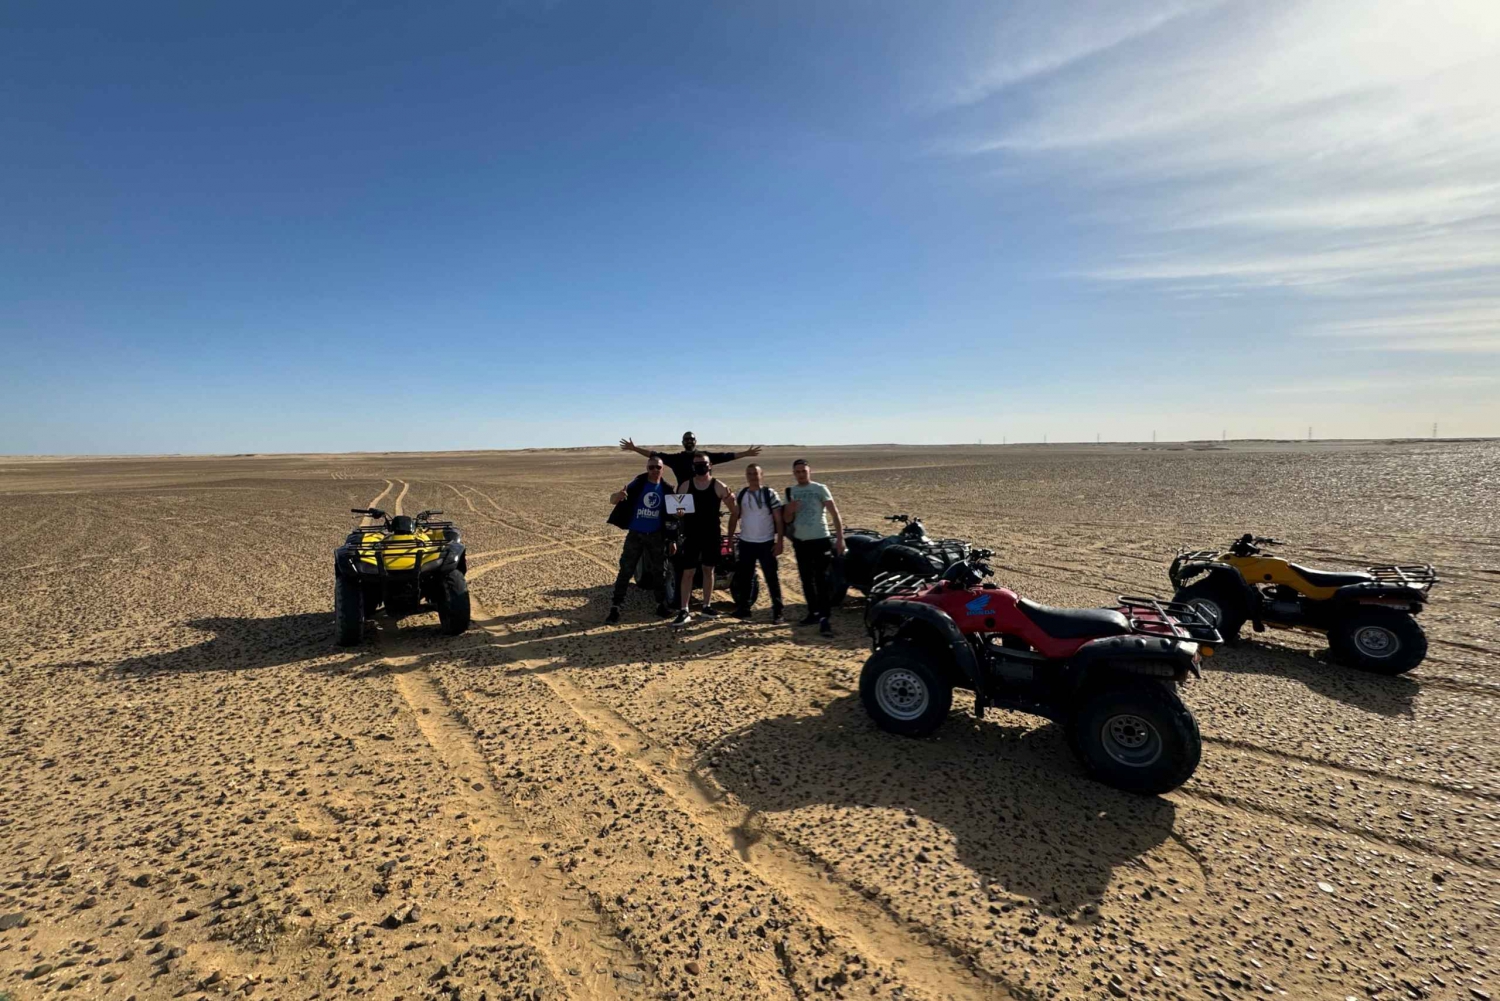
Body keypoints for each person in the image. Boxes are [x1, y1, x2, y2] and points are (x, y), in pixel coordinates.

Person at [668, 452, 737, 627]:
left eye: (703, 463)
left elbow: (735, 510)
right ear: (693, 466)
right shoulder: (685, 485)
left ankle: (706, 606)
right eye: (697, 463)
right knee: (688, 572)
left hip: (711, 535)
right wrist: (679, 513)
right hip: (691, 535)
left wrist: (731, 501)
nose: (700, 466)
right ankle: (684, 610)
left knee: (708, 570)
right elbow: (677, 510)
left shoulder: (718, 485)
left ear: (710, 465)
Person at [604, 457, 675, 623]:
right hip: (636, 535)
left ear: (662, 469)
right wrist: (619, 496)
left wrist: (671, 539)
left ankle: (660, 605)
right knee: (626, 571)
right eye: (651, 467)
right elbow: (612, 499)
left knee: (659, 572)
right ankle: (616, 606)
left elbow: (673, 517)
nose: (655, 470)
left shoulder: (667, 489)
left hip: (656, 535)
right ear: (647, 468)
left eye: (658, 467)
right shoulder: (637, 484)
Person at [782, 458, 844, 636]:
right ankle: (813, 613)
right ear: (794, 473)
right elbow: (786, 520)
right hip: (801, 542)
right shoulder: (790, 491)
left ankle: (825, 619)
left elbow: (835, 513)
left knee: (821, 580)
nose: (801, 474)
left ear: (809, 471)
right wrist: (790, 509)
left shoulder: (820, 488)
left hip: (821, 539)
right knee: (806, 579)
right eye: (797, 472)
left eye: (803, 471)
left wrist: (840, 538)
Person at [725, 463, 785, 623]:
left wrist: (779, 541)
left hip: (766, 543)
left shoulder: (770, 494)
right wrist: (730, 539)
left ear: (761, 475)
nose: (752, 476)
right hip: (746, 543)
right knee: (745, 578)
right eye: (749, 473)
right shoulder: (742, 494)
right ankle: (744, 609)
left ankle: (778, 612)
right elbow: (734, 516)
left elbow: (778, 519)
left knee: (771, 577)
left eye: (755, 473)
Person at [619, 431, 762, 486]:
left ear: (695, 442)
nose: (689, 441)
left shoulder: (705, 457)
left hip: (705, 493)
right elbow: (654, 455)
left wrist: (745, 453)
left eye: (691, 439)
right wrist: (634, 448)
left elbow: (726, 456)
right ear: (683, 442)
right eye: (686, 439)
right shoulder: (676, 459)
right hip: (684, 495)